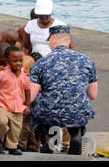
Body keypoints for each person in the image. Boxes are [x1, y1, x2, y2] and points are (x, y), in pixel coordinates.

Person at [30, 25, 98, 155]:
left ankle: (47, 136)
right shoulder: (87, 60)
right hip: (77, 110)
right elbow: (93, 95)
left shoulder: (42, 62)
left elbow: (31, 96)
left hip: (50, 111)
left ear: (53, 41)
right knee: (79, 106)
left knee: (39, 102)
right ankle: (76, 134)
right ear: (69, 41)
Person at [0, 45, 31, 155]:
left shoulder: (24, 76)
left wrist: (27, 105)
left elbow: (27, 90)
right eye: (14, 61)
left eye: (20, 60)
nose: (18, 63)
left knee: (16, 127)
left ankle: (12, 146)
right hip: (3, 104)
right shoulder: (1, 74)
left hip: (18, 107)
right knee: (2, 122)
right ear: (7, 61)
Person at [17, 55, 39, 152]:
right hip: (18, 105)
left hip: (25, 106)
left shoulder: (30, 81)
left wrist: (26, 106)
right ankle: (33, 146)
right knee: (27, 127)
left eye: (24, 69)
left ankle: (21, 144)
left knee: (24, 126)